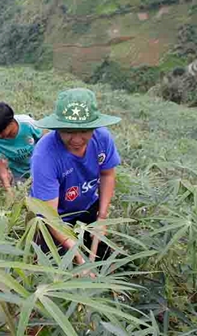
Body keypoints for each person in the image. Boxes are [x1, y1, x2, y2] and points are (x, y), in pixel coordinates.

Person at [29, 88, 121, 265]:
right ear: (58, 127)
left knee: (103, 257)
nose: (77, 139)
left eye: (84, 131)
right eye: (68, 131)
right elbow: (50, 216)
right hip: (54, 215)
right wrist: (78, 258)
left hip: (86, 203)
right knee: (53, 265)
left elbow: (107, 174)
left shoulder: (102, 138)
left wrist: (102, 217)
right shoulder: (45, 156)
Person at [0, 102, 44, 194]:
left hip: (42, 168)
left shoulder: (27, 124)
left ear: (11, 123)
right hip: (20, 174)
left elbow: (46, 142)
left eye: (1, 132)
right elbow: (0, 166)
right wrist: (9, 190)